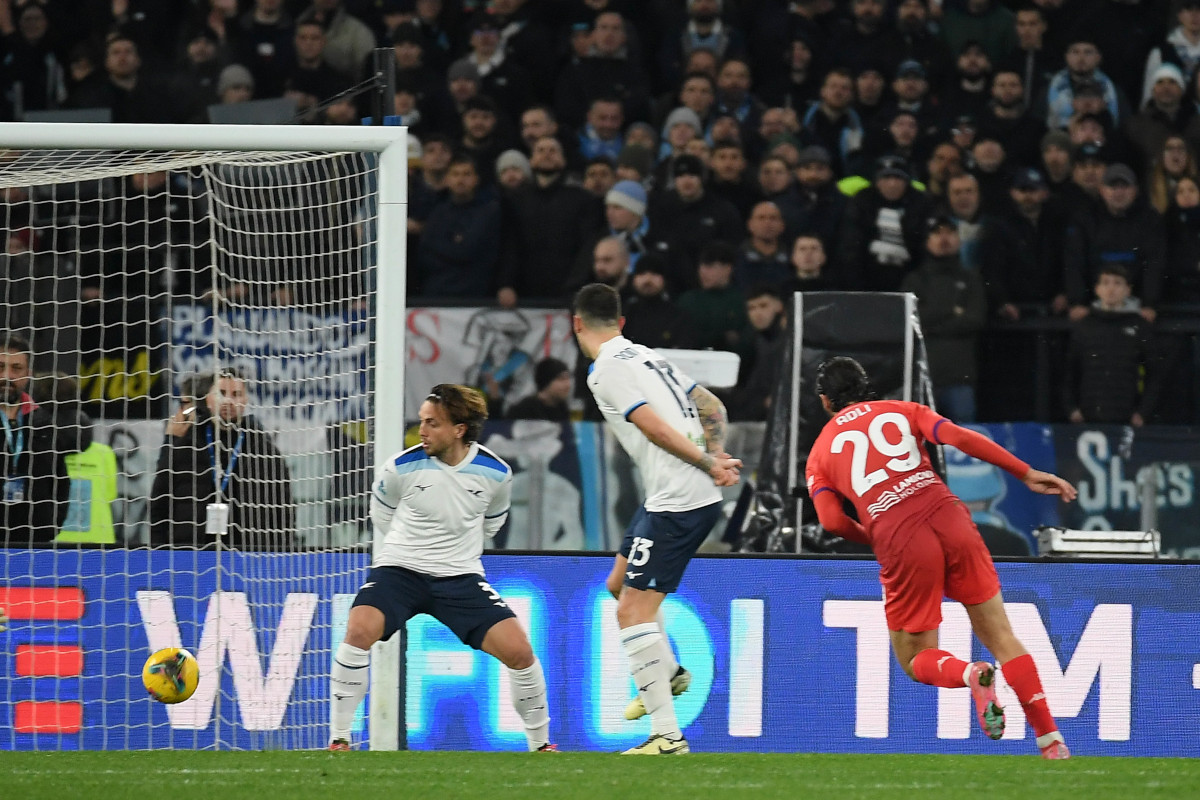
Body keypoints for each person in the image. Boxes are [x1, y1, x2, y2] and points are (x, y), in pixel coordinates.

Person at [805, 356, 1077, 760]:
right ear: (866, 386)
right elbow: (959, 437)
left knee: (914, 657)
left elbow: (830, 521)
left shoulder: (820, 452)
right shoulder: (903, 411)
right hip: (948, 515)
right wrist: (1024, 472)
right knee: (1002, 635)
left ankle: (970, 674)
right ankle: (1050, 740)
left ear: (826, 401)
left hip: (899, 535)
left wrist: (872, 535)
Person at [329, 384, 555, 752]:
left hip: (460, 577)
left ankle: (542, 746)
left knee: (520, 652)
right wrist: (415, 550)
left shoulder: (495, 472)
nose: (422, 430)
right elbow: (382, 516)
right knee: (357, 632)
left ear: (459, 430)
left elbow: (491, 524)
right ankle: (339, 738)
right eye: (422, 421)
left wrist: (450, 554)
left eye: (432, 423)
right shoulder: (400, 467)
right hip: (400, 570)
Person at [572, 283, 742, 755]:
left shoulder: (605, 370)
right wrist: (713, 452)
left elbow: (653, 426)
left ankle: (667, 737)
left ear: (576, 323)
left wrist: (708, 464)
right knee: (618, 583)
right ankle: (669, 671)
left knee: (632, 611)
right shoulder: (646, 355)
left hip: (678, 498)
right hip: (672, 494)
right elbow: (712, 404)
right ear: (622, 322)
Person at [149, 367, 295, 550]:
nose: (228, 401)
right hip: (189, 558)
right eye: (222, 393)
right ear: (208, 400)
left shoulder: (264, 452)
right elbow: (159, 506)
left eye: (236, 394)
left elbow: (284, 513)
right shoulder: (184, 447)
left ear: (246, 400)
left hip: (246, 558)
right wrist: (160, 555)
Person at [0, 334, 92, 547]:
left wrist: (51, 523)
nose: (7, 376)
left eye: (16, 368)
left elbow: (61, 480)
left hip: (36, 541)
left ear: (28, 374)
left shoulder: (44, 421)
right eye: (1, 366)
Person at [506, 358, 572, 423]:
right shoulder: (524, 410)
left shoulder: (562, 408)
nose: (568, 385)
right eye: (561, 379)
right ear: (546, 383)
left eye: (568, 378)